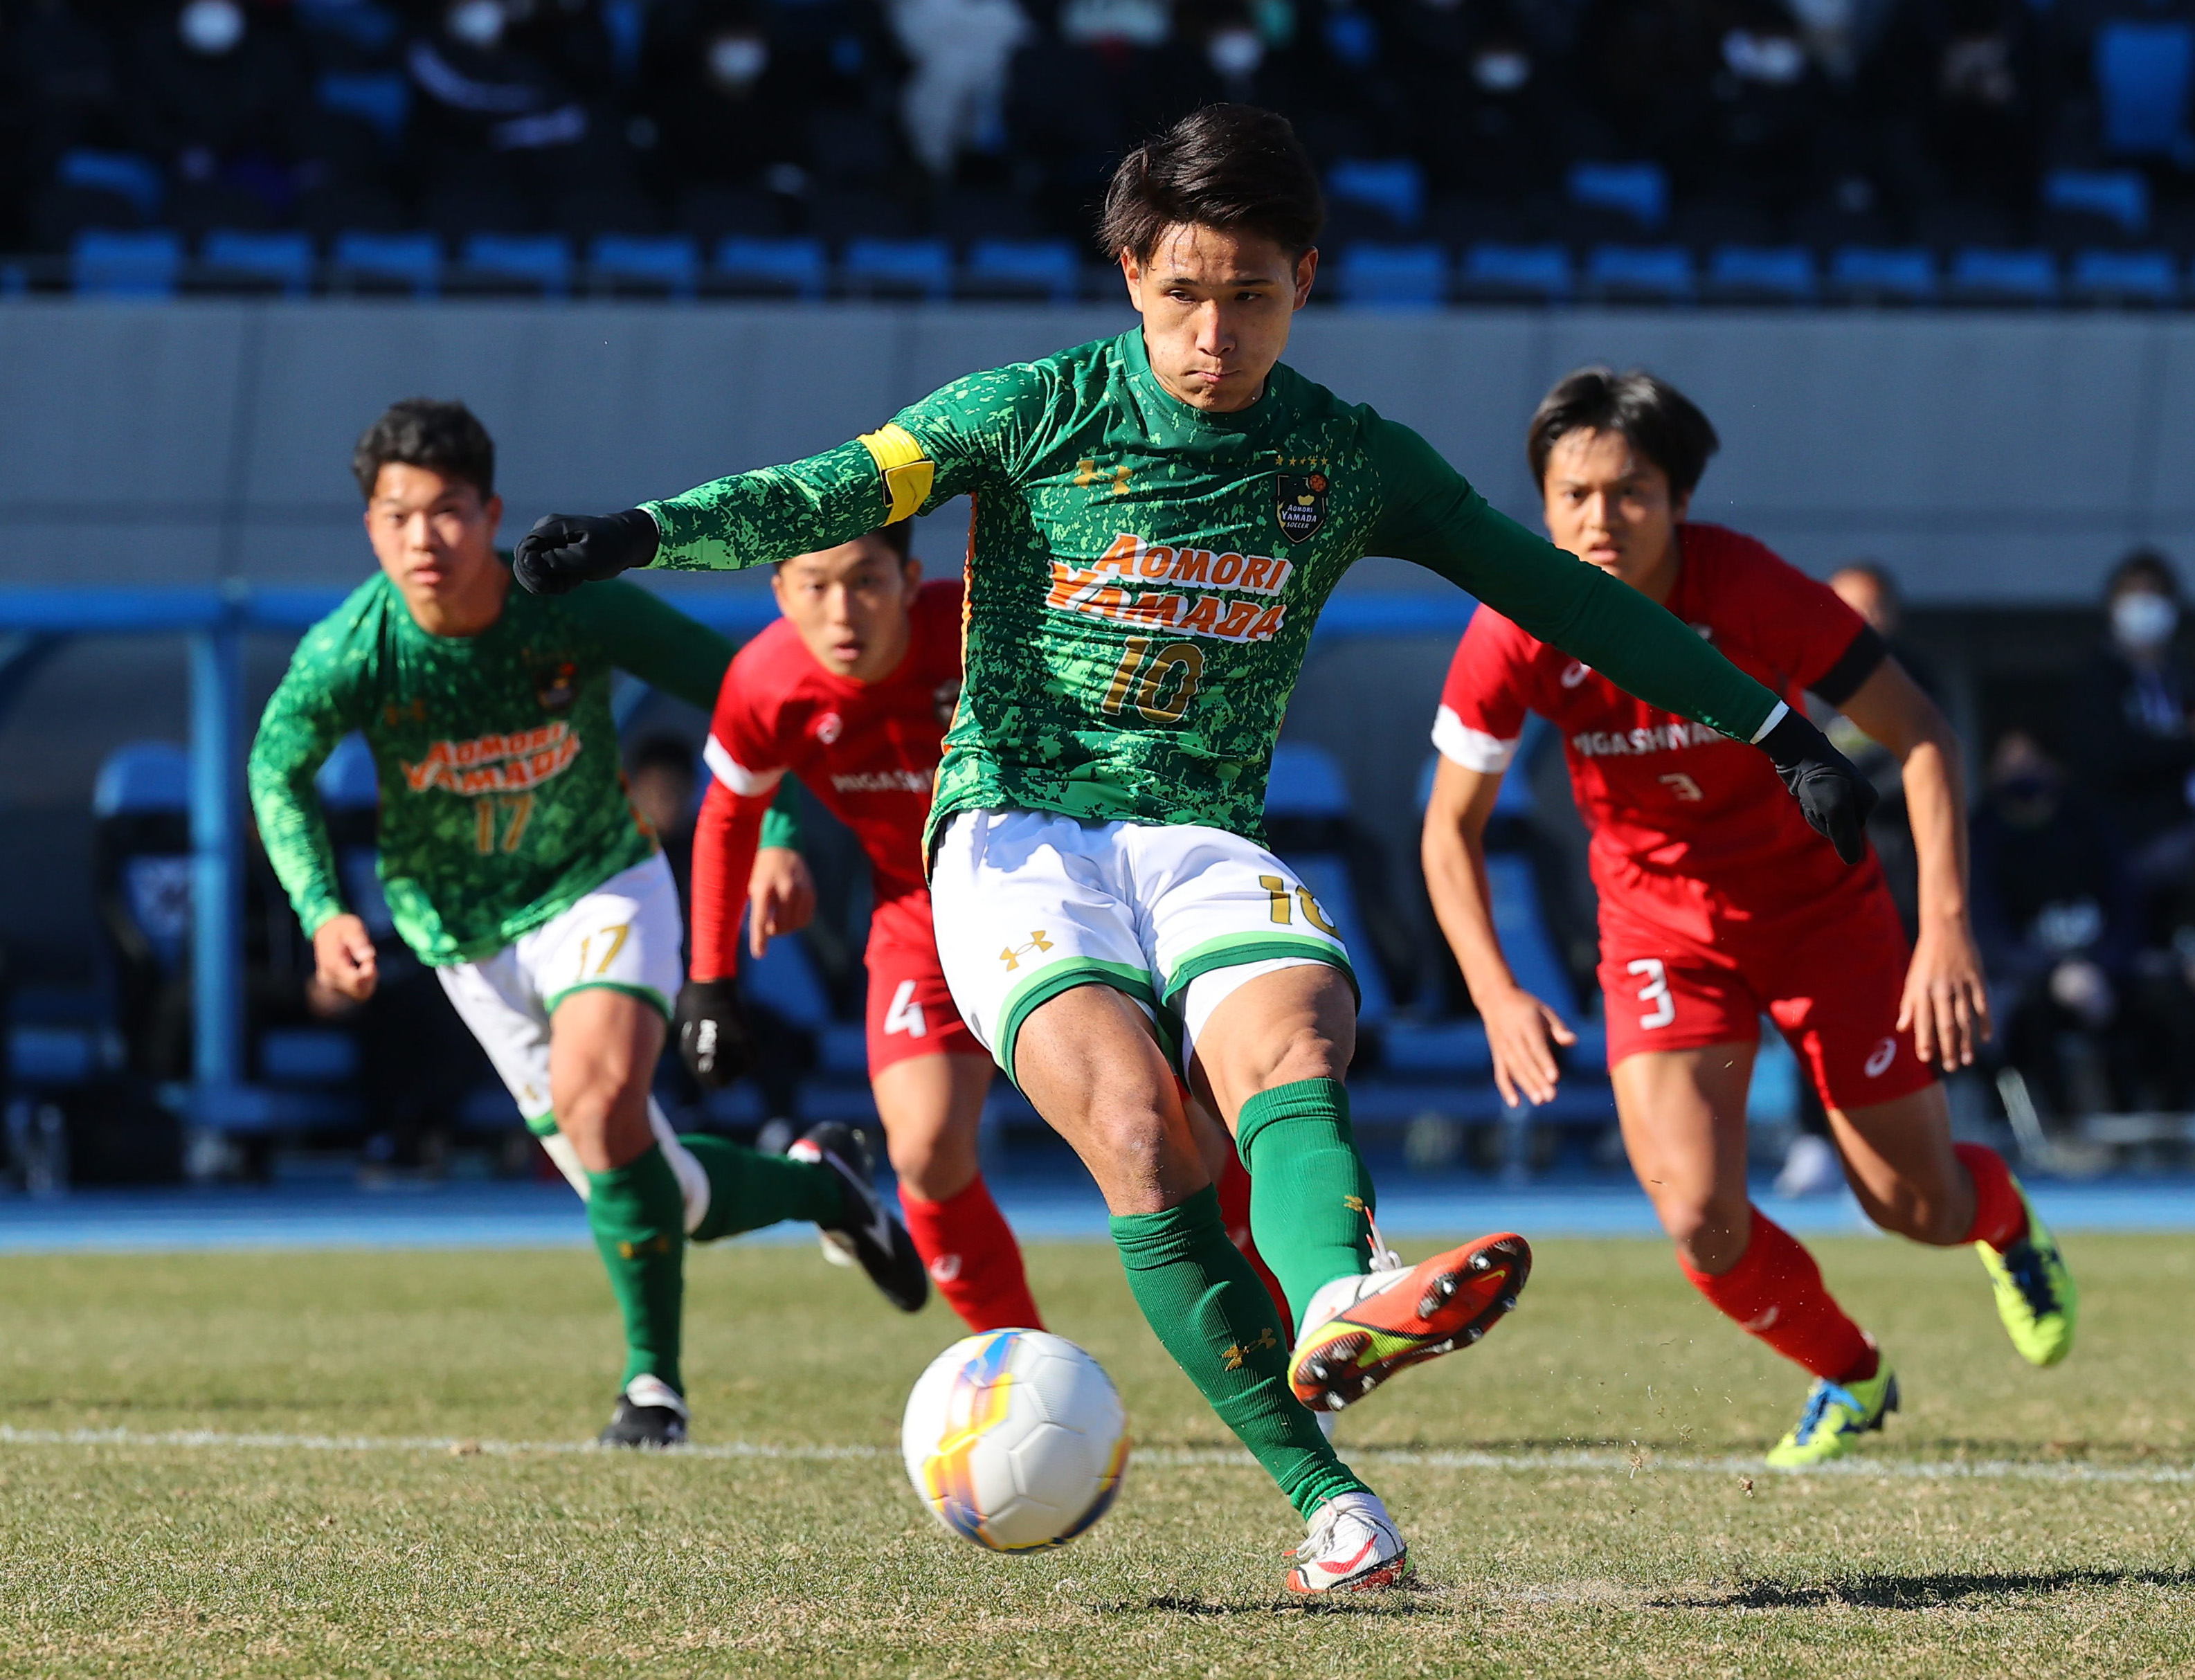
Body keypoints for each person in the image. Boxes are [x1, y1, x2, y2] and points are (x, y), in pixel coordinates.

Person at [510, 105, 1875, 1592]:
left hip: (1200, 835)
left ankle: (1342, 1288)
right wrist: (644, 531)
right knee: (1144, 1136)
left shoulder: (1348, 457)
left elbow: (1557, 591)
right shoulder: (1029, 408)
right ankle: (1328, 1500)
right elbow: (834, 489)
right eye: (1181, 293)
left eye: (1250, 296)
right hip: (1017, 840)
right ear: (1127, 274)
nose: (1213, 333)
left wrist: (1772, 725)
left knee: (1293, 1041)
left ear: (1305, 276)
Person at [1420, 366, 2077, 1470]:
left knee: (1911, 1205)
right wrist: (1495, 991)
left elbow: (1921, 736)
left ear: (1677, 499)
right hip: (1656, 931)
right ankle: (1849, 1371)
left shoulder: (1753, 589)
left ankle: (2003, 1220)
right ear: (1540, 504)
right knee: (1697, 1218)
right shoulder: (1514, 619)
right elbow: (1448, 828)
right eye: (1571, 493)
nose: (1597, 518)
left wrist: (1945, 926)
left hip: (1823, 915)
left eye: (1628, 492)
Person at [248, 398, 928, 1450]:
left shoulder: (565, 603)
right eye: (397, 516)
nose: (424, 538)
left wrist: (784, 825)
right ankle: (821, 1186)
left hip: (599, 884)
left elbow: (737, 685)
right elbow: (274, 768)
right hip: (460, 936)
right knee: (664, 1187)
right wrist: (324, 907)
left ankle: (651, 1385)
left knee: (603, 1101)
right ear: (370, 527)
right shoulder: (350, 649)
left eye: (448, 511)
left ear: (491, 512)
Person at [678, 520, 1045, 1335]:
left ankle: (1279, 1361)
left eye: (866, 582)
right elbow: (727, 817)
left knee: (1175, 1138)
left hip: (1064, 897)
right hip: (920, 916)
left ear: (911, 581)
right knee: (922, 1153)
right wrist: (710, 981)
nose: (842, 611)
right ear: (780, 595)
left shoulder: (988, 633)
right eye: (814, 585)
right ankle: (1029, 1370)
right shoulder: (766, 681)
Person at [2068, 549, 2195, 930]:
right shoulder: (2098, 680)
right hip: (2126, 841)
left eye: (2155, 594)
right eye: (2133, 594)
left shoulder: (2180, 676)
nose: (2145, 606)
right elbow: (2110, 757)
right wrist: (2181, 744)